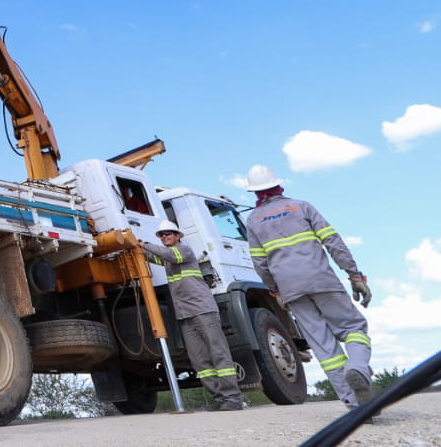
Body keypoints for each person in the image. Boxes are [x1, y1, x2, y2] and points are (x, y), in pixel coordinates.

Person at [244, 164, 374, 410]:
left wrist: (275, 289)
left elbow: (259, 262)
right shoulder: (301, 206)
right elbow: (333, 241)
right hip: (322, 279)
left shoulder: (253, 220)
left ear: (255, 193)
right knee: (353, 328)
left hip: (291, 289)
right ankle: (357, 368)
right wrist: (354, 274)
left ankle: (355, 404)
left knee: (323, 344)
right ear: (278, 184)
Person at [141, 220, 246, 411]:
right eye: (162, 234)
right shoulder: (168, 258)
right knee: (199, 360)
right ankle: (219, 398)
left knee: (218, 353)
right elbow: (154, 257)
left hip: (203, 309)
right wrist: (135, 246)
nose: (165, 236)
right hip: (185, 315)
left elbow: (166, 254)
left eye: (168, 233)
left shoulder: (184, 251)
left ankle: (232, 398)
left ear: (178, 235)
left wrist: (144, 244)